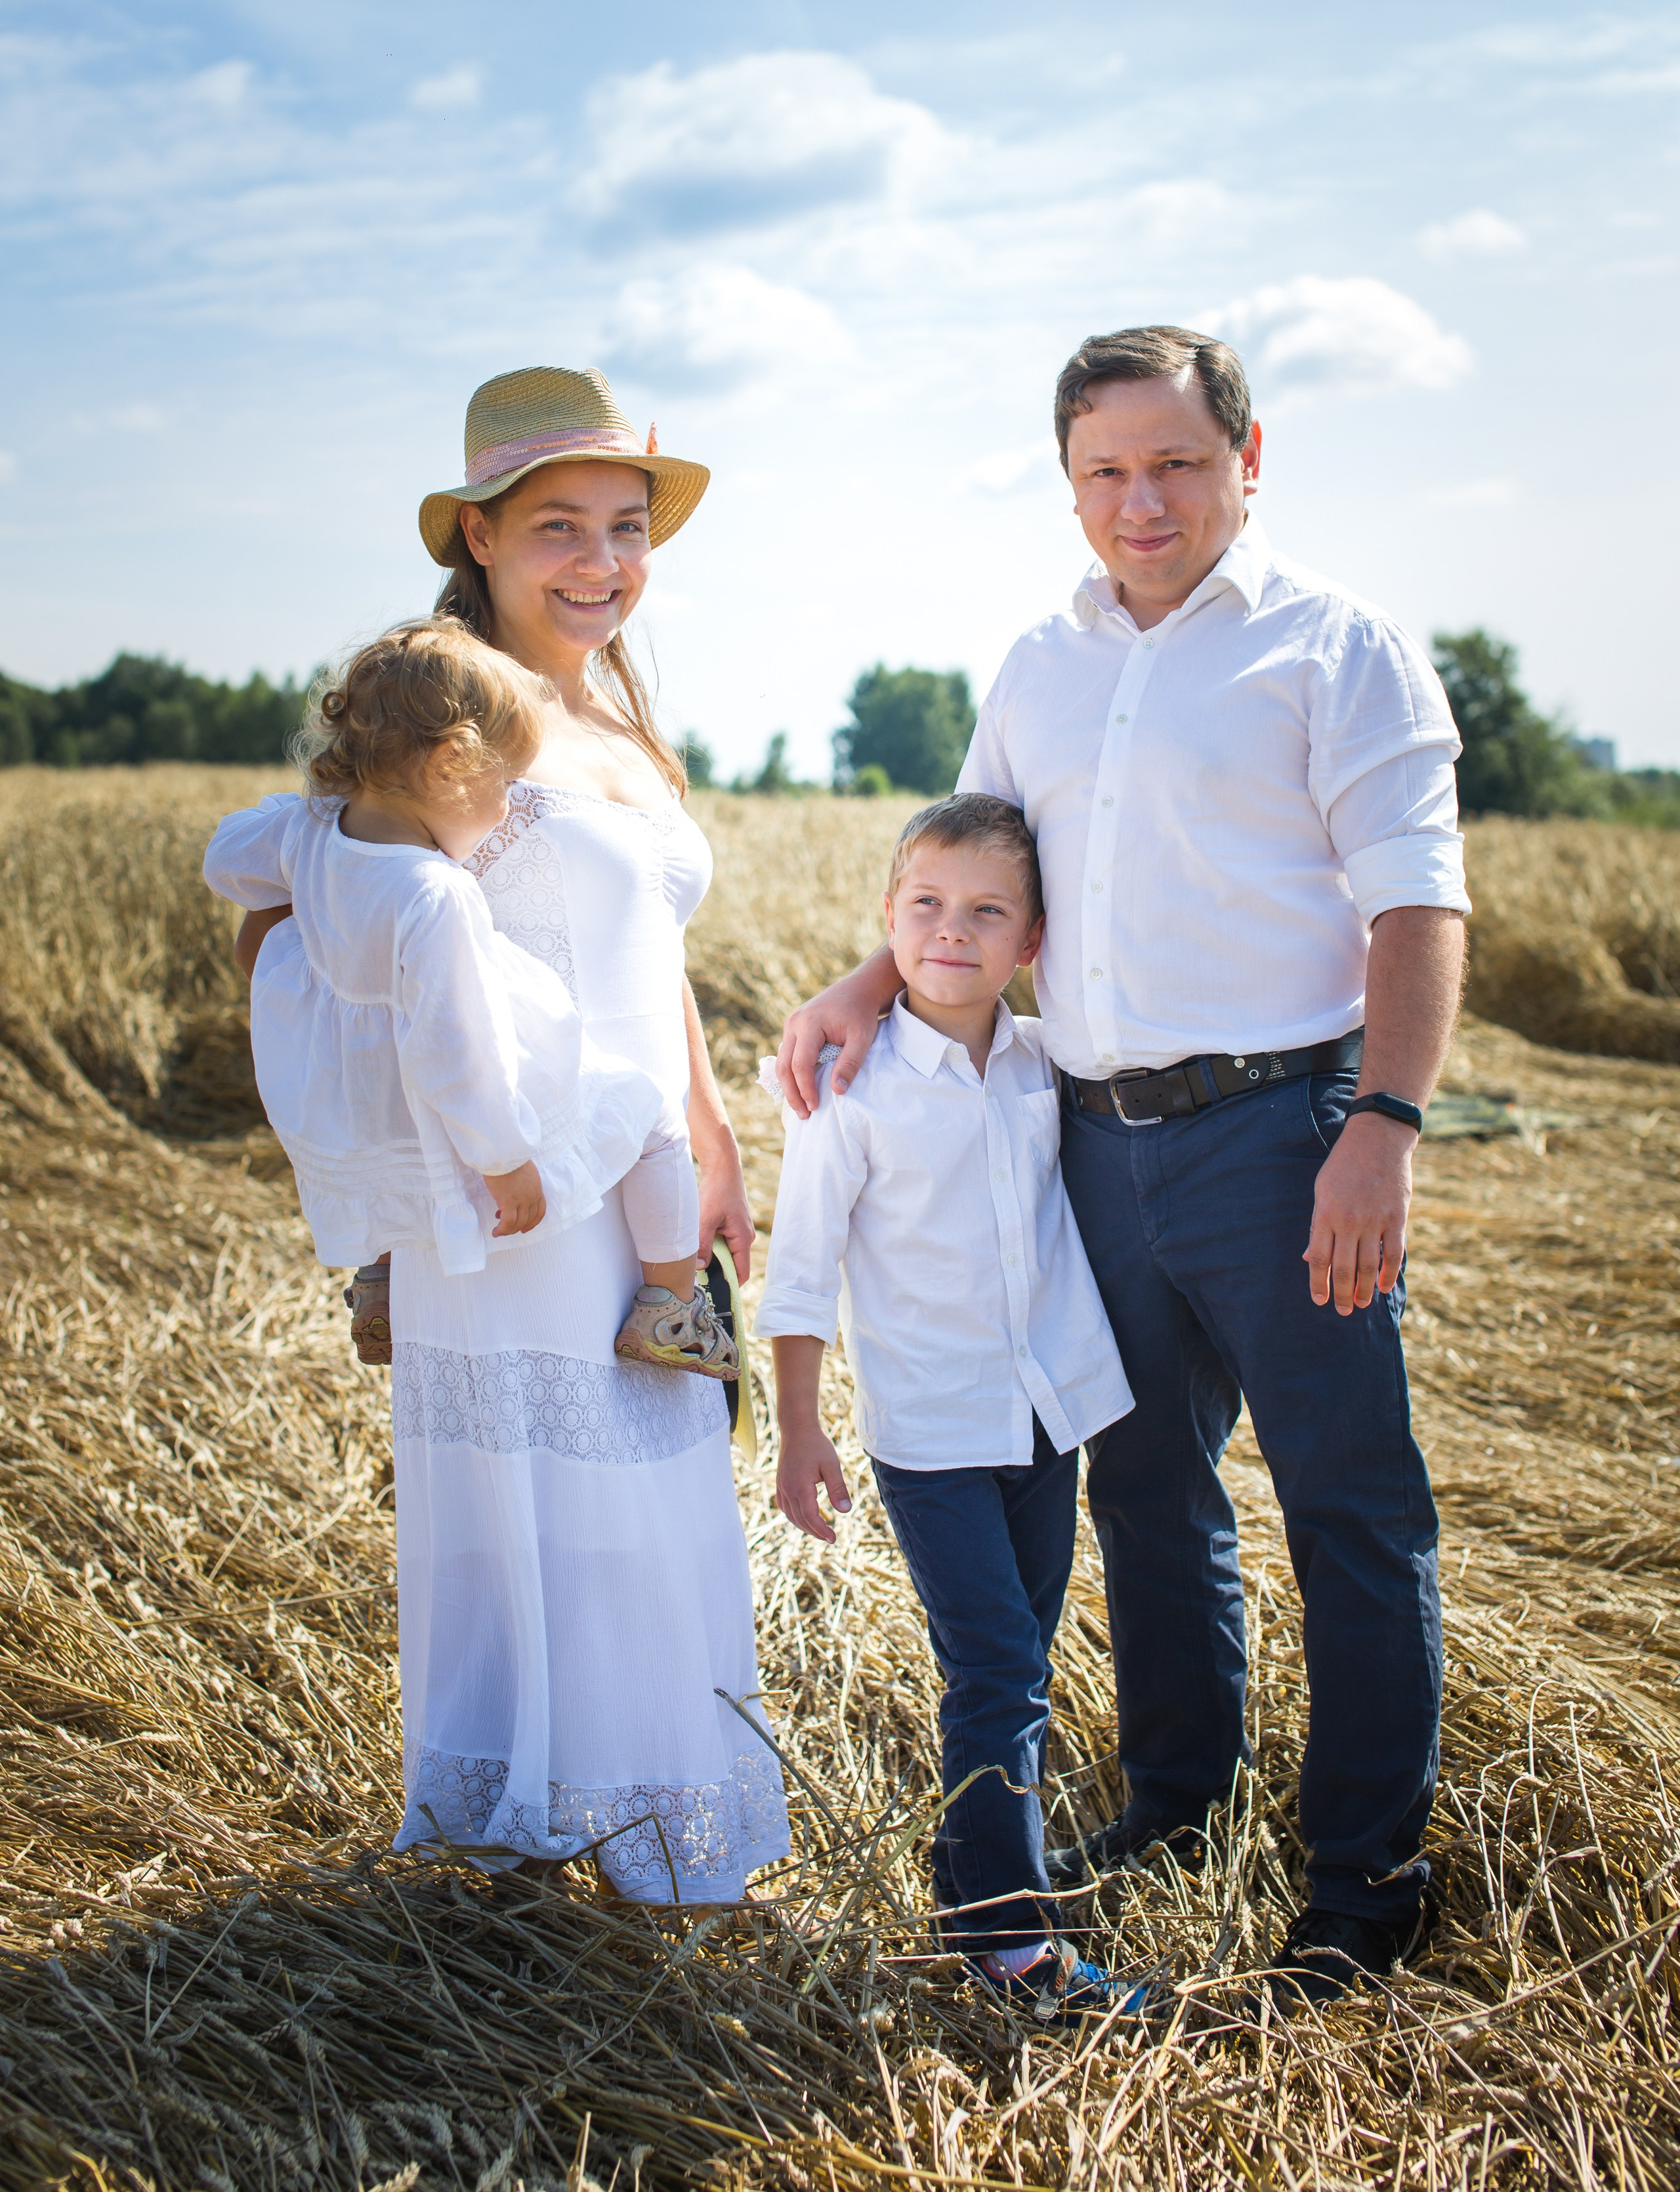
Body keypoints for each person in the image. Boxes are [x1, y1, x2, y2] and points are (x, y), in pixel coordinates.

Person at [776, 326, 1469, 2004]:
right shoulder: (1038, 658)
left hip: (1282, 1129)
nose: (1137, 500)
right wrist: (869, 979)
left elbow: (1414, 906)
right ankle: (1176, 1800)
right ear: (1068, 480)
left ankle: (1365, 1870)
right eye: (1103, 470)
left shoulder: (1333, 645)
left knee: (1346, 1501)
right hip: (1087, 1137)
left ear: (1247, 452)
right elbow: (973, 866)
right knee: (1145, 1491)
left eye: (1171, 462)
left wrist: (1379, 1126)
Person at [233, 364, 788, 1899]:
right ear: (477, 532)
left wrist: (711, 1124)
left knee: (654, 1485)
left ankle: (636, 1819)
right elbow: (312, 907)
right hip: (519, 1188)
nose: (602, 562)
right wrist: (420, 1143)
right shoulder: (452, 710)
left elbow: (645, 956)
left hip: (640, 1167)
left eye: (626, 527)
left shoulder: (612, 704)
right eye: (560, 527)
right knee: (549, 1503)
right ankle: (527, 1831)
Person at [759, 793, 1139, 2021]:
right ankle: (1013, 1942)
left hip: (1045, 1417)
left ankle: (964, 1890)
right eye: (924, 906)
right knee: (999, 1666)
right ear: (885, 921)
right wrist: (802, 1429)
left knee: (1010, 1658)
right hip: (931, 1433)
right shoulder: (849, 1095)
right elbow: (803, 1274)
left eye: (987, 912)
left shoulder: (1046, 1066)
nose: (952, 932)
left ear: (1032, 941)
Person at [205, 620, 732, 1381]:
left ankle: (381, 1287)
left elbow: (228, 856)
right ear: (453, 762)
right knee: (651, 1115)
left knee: (396, 1152)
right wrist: (503, 1157)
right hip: (460, 1109)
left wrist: (317, 814)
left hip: (353, 1097)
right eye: (504, 786)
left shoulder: (308, 835)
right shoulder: (435, 895)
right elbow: (461, 1044)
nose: (506, 810)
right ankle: (672, 1307)